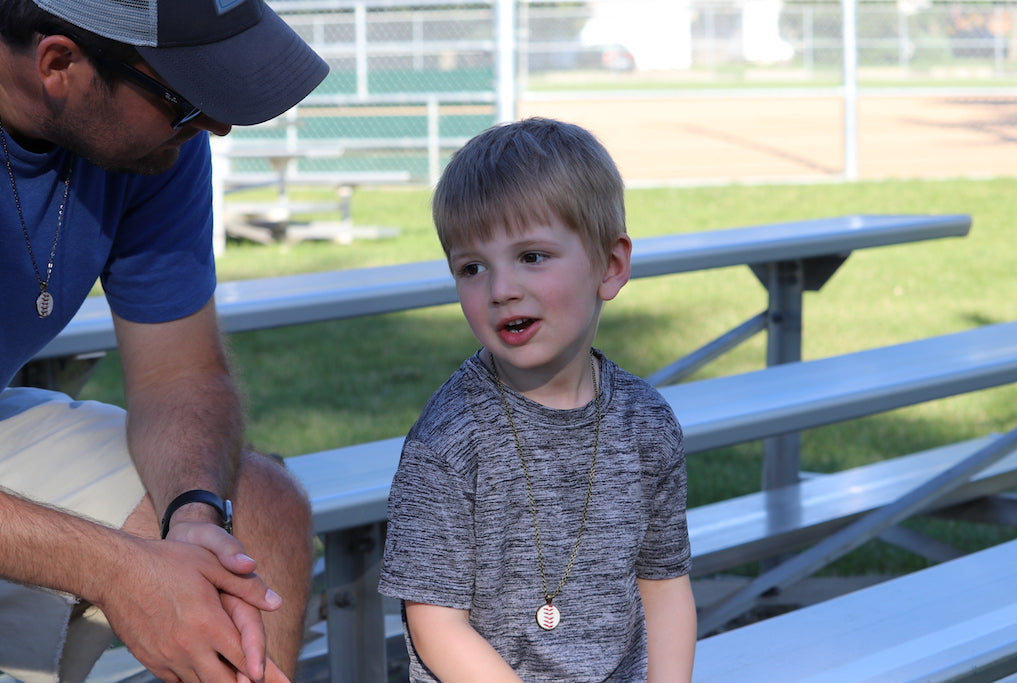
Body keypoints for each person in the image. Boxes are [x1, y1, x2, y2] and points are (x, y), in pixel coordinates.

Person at [0, 0, 329, 681]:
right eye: (183, 98)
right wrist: (120, 570)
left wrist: (194, 519)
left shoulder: (151, 147)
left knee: (257, 513)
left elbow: (177, 374)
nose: (218, 123)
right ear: (59, 65)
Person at [379, 117, 698, 681]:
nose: (501, 289)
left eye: (531, 256)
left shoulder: (646, 425)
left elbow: (665, 583)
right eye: (472, 268)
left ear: (611, 265)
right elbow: (435, 623)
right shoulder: (449, 443)